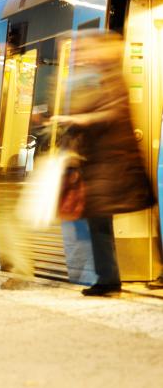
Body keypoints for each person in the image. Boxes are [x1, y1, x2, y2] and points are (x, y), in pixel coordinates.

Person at [51, 30, 155, 296]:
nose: (83, 55)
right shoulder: (101, 76)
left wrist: (79, 120)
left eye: (87, 50)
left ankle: (108, 280)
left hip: (110, 166)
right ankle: (107, 278)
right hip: (102, 166)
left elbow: (113, 112)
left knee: (99, 224)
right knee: (98, 224)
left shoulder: (110, 77)